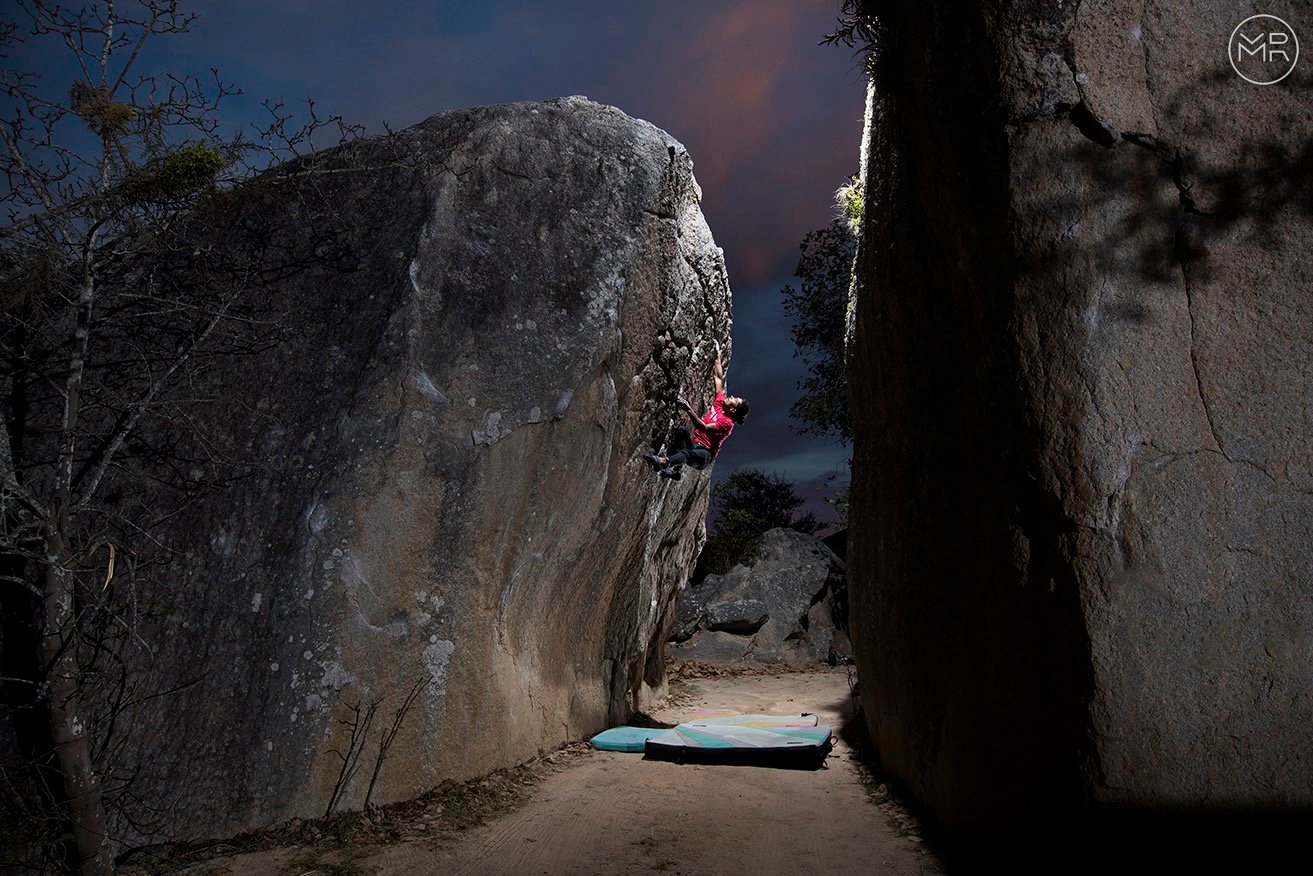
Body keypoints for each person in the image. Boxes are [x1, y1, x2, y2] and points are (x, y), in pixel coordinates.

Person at [644, 340, 748, 480]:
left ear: (733, 410)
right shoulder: (719, 403)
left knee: (687, 454)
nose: (732, 396)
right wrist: (717, 353)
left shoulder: (727, 423)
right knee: (681, 431)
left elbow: (704, 428)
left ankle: (663, 462)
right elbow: (718, 377)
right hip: (695, 445)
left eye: (735, 400)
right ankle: (676, 471)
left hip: (705, 454)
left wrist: (688, 409)